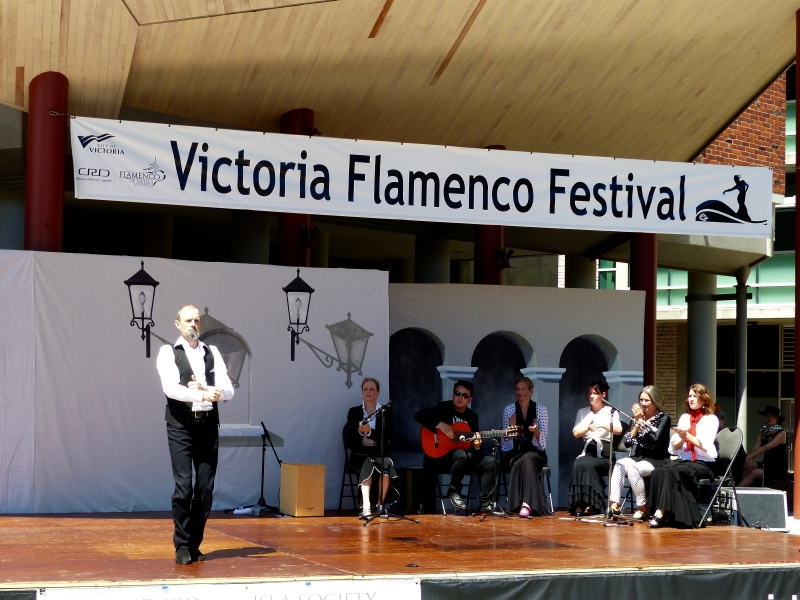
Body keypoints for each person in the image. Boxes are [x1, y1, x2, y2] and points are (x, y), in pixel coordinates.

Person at [156, 304, 234, 565]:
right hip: (180, 427)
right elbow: (171, 389)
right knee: (183, 487)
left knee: (205, 488)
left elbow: (228, 390)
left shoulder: (212, 352)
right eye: (188, 320)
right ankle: (181, 544)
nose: (193, 324)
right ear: (177, 323)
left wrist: (213, 391)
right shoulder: (169, 352)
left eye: (197, 320)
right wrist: (202, 393)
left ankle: (194, 543)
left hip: (208, 426)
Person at [414, 380, 496, 514]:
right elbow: (419, 415)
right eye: (457, 393)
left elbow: (474, 446)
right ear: (453, 394)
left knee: (491, 462)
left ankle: (485, 504)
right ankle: (454, 490)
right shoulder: (444, 408)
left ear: (470, 399)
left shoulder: (472, 417)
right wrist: (440, 425)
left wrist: (476, 446)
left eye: (465, 395)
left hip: (464, 458)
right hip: (441, 457)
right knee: (463, 455)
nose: (460, 397)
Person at [647, 383, 718, 529]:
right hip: (685, 460)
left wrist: (688, 436)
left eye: (694, 396)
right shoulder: (685, 418)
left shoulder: (711, 419)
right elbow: (675, 447)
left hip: (703, 463)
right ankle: (669, 514)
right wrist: (682, 438)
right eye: (689, 396)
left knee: (673, 472)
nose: (690, 399)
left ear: (703, 399)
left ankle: (661, 513)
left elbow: (705, 445)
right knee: (659, 470)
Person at [606, 386, 671, 522]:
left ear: (655, 401)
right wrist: (636, 424)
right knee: (620, 464)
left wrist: (643, 424)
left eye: (647, 400)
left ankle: (642, 507)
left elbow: (655, 441)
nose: (643, 403)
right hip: (639, 457)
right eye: (641, 400)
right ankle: (615, 505)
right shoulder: (637, 418)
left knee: (633, 469)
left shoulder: (664, 419)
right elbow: (627, 443)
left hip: (656, 459)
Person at [344, 378, 398, 518]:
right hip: (360, 452)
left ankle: (380, 505)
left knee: (386, 464)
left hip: (378, 451)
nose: (368, 392)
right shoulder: (354, 412)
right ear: (362, 392)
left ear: (378, 393)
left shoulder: (385, 412)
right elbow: (350, 439)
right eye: (365, 389)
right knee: (367, 462)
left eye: (372, 389)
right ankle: (366, 507)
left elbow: (386, 437)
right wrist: (360, 433)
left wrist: (370, 432)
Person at [567, 380, 622, 516]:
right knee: (579, 463)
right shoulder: (582, 412)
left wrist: (602, 424)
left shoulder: (610, 411)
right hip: (589, 451)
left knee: (588, 465)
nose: (591, 396)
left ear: (603, 395)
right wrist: (587, 427)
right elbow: (576, 433)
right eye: (589, 393)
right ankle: (580, 502)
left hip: (605, 454)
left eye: (595, 393)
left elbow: (619, 429)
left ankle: (592, 504)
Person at [500, 377, 551, 517]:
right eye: (518, 389)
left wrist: (536, 430)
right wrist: (511, 427)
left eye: (523, 389)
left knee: (528, 458)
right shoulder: (509, 410)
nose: (520, 392)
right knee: (521, 461)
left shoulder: (540, 410)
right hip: (515, 453)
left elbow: (543, 442)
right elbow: (505, 444)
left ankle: (525, 504)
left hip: (536, 453)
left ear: (531, 391)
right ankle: (525, 505)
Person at [739, 405, 788, 487]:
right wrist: (750, 459)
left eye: (772, 416)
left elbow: (766, 448)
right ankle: (747, 489)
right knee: (746, 464)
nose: (769, 417)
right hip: (766, 464)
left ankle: (735, 492)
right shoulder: (762, 432)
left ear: (777, 418)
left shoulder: (782, 433)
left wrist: (750, 456)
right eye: (767, 415)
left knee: (752, 473)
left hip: (777, 468)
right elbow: (756, 447)